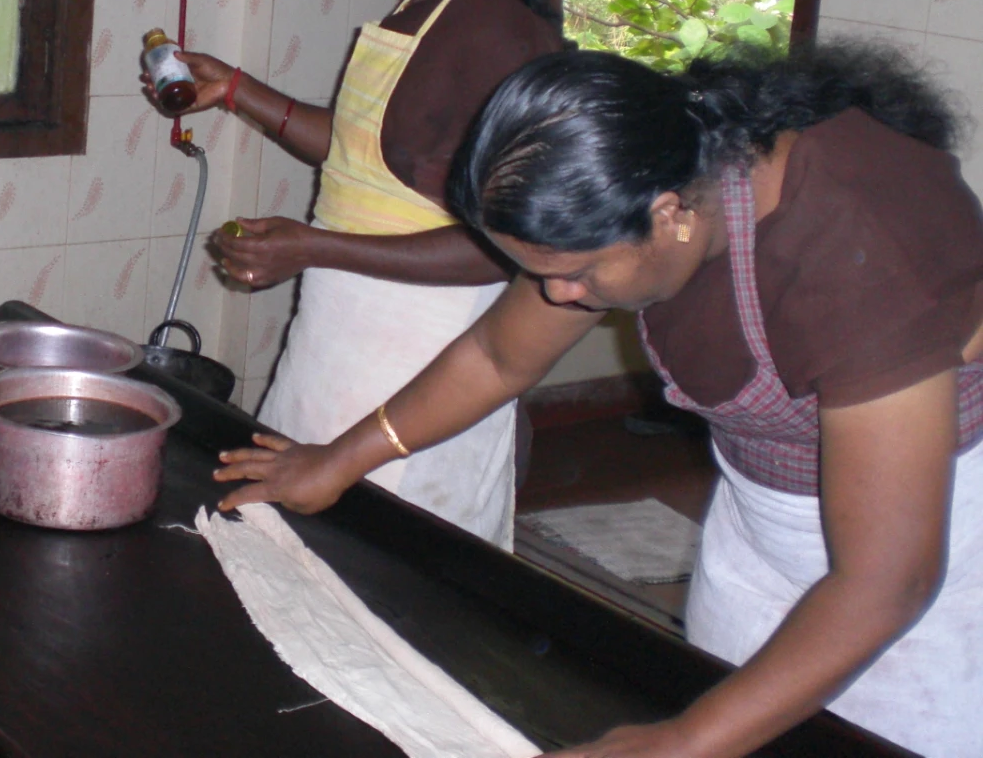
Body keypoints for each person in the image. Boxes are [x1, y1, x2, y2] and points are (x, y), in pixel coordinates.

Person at [213, 43, 983, 758]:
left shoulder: (858, 246)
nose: (559, 295)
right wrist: (338, 460)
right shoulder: (651, 182)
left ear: (670, 216)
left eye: (578, 274)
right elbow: (496, 352)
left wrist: (680, 741)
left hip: (935, 548)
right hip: (761, 521)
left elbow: (888, 581)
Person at [152, 0, 562, 547]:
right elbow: (359, 154)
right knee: (295, 542)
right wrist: (236, 90)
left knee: (395, 564)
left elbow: (500, 247)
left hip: (426, 356)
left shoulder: (496, 39)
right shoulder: (416, 14)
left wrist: (312, 245)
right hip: (341, 337)